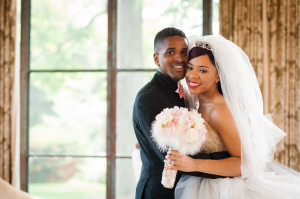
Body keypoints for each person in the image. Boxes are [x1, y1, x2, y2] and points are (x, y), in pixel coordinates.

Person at [165, 35, 300, 199]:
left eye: (203, 70)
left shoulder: (220, 110)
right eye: (190, 67)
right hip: (202, 184)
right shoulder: (195, 100)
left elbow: (245, 164)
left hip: (225, 189)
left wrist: (193, 164)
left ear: (218, 76)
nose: (192, 76)